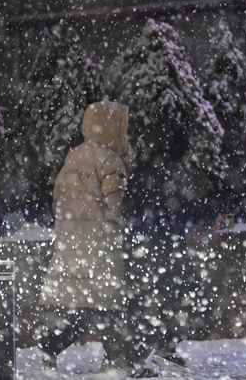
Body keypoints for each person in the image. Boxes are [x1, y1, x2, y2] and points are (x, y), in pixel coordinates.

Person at [37, 101, 157, 378]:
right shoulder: (109, 160)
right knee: (110, 308)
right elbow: (117, 206)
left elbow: (58, 200)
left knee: (80, 308)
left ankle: (50, 347)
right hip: (99, 248)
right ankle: (120, 364)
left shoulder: (74, 156)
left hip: (72, 246)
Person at [123, 116, 215, 372]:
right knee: (188, 301)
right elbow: (188, 207)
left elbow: (132, 207)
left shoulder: (142, 171)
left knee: (151, 304)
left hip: (144, 247)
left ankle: (146, 358)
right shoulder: (171, 171)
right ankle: (152, 355)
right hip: (165, 247)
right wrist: (221, 220)